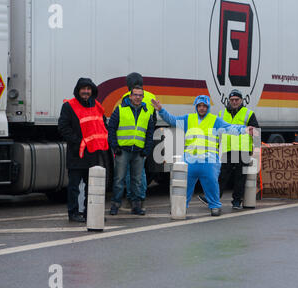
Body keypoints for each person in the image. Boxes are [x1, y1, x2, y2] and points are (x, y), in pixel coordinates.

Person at [152, 95, 255, 216]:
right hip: (190, 160)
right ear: (196, 107)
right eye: (199, 106)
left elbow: (229, 128)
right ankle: (181, 207)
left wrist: (244, 130)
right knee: (185, 187)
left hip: (209, 160)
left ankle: (215, 206)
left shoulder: (215, 120)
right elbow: (172, 120)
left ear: (208, 107)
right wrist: (161, 110)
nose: (202, 108)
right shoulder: (188, 119)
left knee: (212, 184)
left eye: (204, 106)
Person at [58, 78, 109, 222]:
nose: (86, 92)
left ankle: (89, 212)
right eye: (83, 89)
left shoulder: (97, 106)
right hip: (76, 153)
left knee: (91, 186)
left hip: (93, 153)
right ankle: (73, 213)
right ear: (78, 90)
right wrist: (79, 141)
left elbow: (102, 124)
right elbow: (63, 127)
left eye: (88, 89)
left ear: (92, 91)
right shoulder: (69, 106)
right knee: (74, 186)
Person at [199, 89, 259, 209]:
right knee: (221, 175)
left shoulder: (248, 113)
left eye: (237, 100)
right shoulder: (221, 114)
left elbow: (256, 131)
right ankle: (214, 198)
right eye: (232, 100)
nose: (234, 102)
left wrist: (255, 149)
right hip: (226, 149)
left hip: (243, 150)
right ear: (229, 101)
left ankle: (236, 201)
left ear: (241, 100)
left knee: (240, 177)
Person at [108, 86, 155, 215]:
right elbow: (111, 128)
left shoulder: (147, 112)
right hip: (123, 150)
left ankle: (136, 207)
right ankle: (115, 206)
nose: (138, 97)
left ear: (143, 97)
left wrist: (146, 150)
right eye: (135, 95)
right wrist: (115, 146)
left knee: (137, 180)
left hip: (139, 152)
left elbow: (149, 134)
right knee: (119, 180)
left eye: (140, 95)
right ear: (130, 96)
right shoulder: (120, 109)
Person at [122, 73, 157, 212]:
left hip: (130, 139)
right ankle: (141, 198)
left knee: (131, 172)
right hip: (144, 139)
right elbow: (153, 120)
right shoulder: (151, 96)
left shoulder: (127, 96)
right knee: (140, 171)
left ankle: (132, 199)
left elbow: (123, 117)